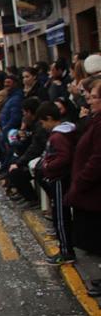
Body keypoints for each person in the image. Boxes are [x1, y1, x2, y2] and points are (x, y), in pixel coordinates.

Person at [36, 101, 78, 265]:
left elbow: (64, 157)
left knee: (60, 216)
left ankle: (66, 251)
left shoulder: (58, 136)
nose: (43, 126)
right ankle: (65, 248)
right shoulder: (65, 132)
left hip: (59, 178)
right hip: (60, 177)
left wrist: (48, 165)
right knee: (61, 214)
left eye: (43, 122)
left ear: (49, 118)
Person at [65, 77, 101, 269]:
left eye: (94, 97)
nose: (89, 100)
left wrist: (80, 182)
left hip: (93, 191)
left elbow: (97, 159)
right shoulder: (94, 121)